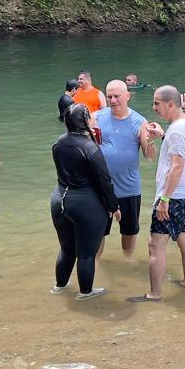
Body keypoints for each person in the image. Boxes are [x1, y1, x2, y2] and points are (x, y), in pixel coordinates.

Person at [128, 86, 185, 303]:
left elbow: (177, 166)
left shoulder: (177, 131)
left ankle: (155, 294)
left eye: (157, 103)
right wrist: (163, 136)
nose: (154, 107)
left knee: (155, 245)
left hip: (174, 198)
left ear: (170, 104)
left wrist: (164, 200)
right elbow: (180, 150)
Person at [51, 104, 121, 299]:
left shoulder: (59, 143)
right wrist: (113, 207)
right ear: (84, 122)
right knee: (86, 253)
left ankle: (59, 287)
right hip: (85, 203)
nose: (93, 120)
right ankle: (86, 293)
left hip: (59, 199)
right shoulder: (90, 148)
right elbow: (104, 180)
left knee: (66, 249)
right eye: (90, 117)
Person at [95, 81, 156, 261]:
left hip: (128, 187)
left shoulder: (139, 121)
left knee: (129, 231)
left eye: (117, 96)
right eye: (109, 96)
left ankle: (127, 260)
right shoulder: (96, 117)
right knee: (99, 230)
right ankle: (95, 264)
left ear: (127, 96)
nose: (113, 100)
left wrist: (151, 140)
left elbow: (150, 156)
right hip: (101, 187)